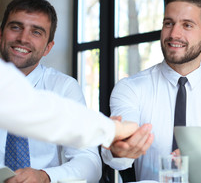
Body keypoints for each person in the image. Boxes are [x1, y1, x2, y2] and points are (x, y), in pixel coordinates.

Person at [102, 0, 201, 181]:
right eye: (168, 23)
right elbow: (118, 160)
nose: (174, 33)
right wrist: (119, 150)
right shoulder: (130, 88)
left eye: (187, 25)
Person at [0, 0, 99, 182]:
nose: (23, 38)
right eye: (15, 27)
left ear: (48, 47)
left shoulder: (64, 89)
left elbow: (90, 162)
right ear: (1, 34)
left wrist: (46, 176)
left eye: (36, 32)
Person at [0, 58, 139, 149]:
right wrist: (112, 129)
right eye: (15, 27)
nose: (23, 38)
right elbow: (33, 110)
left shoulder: (65, 85)